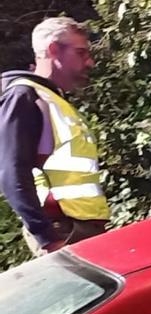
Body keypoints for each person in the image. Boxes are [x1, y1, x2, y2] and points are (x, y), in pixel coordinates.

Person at [0, 16, 109, 257]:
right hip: (63, 231)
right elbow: (11, 172)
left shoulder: (52, 99)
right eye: (81, 53)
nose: (89, 62)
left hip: (79, 227)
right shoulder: (25, 96)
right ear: (52, 50)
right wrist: (47, 239)